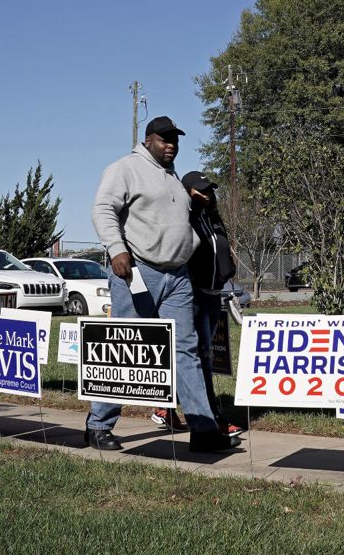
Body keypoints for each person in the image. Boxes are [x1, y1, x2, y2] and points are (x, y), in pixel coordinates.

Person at [87, 116, 239, 453]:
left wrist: (191, 199)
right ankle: (98, 425)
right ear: (148, 139)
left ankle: (202, 428)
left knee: (186, 351)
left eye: (175, 140)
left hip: (178, 277)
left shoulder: (172, 179)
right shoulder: (125, 168)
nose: (171, 145)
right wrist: (116, 249)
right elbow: (102, 209)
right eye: (164, 139)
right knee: (123, 350)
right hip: (137, 272)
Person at [173, 170, 245, 437]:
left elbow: (221, 249)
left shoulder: (212, 218)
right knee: (200, 355)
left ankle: (168, 408)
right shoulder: (185, 218)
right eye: (201, 190)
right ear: (187, 192)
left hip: (215, 295)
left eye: (210, 190)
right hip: (193, 297)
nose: (207, 194)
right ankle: (211, 418)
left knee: (205, 356)